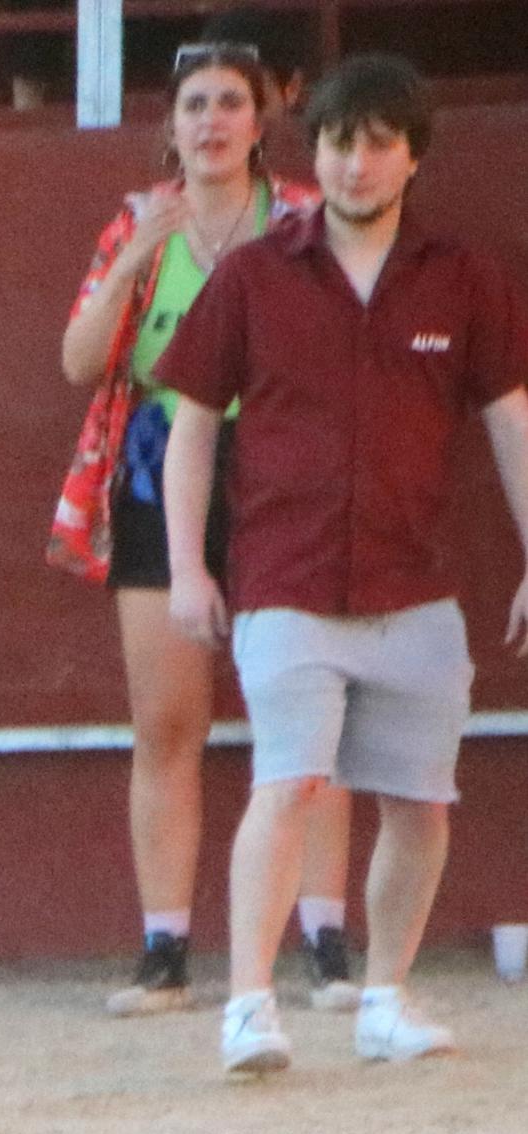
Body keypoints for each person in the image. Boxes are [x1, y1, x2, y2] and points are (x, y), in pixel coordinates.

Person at [159, 54, 528, 1076]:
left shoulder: (462, 276)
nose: (352, 164)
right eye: (333, 142)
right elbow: (190, 430)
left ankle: (382, 996)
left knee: (418, 801)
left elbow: (509, 423)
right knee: (287, 780)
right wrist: (188, 566)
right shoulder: (252, 273)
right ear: (309, 151)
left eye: (373, 144)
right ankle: (245, 1005)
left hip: (413, 585)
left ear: (411, 157)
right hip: (285, 575)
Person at [47, 29, 349, 1017]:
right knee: (166, 720)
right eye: (193, 106)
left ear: (259, 122)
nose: (210, 121)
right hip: (154, 463)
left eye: (228, 103)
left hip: (282, 469)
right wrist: (138, 247)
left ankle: (325, 939)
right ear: (167, 130)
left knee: (303, 722)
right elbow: (81, 361)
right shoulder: (133, 226)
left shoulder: (303, 217)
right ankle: (165, 948)